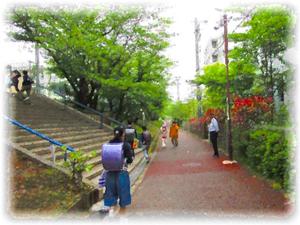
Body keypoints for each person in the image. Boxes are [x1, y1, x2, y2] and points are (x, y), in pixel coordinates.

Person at [99, 127, 133, 214]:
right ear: (123, 134)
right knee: (123, 200)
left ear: (114, 134)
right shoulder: (125, 145)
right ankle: (122, 220)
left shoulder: (108, 144)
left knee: (111, 197)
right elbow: (130, 160)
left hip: (110, 174)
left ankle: (111, 215)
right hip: (122, 174)